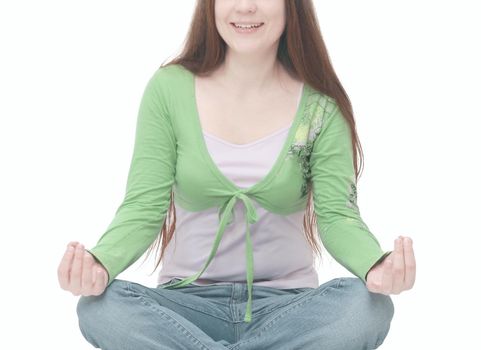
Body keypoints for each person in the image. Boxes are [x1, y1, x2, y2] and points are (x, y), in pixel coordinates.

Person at [57, 1, 416, 349]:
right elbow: (143, 207)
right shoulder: (169, 88)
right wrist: (100, 264)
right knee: (101, 307)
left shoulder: (320, 105)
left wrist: (375, 265)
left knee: (366, 307)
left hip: (289, 308)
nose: (245, 7)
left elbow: (337, 216)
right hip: (186, 306)